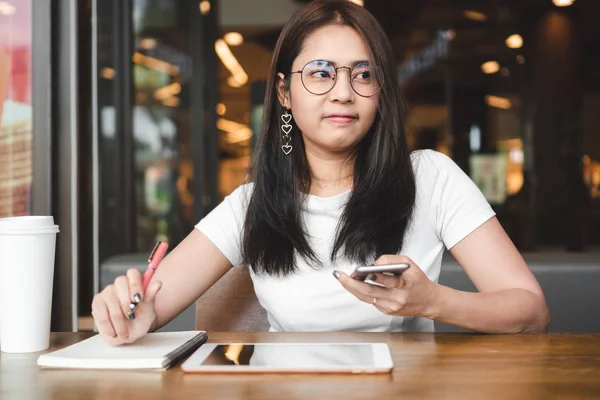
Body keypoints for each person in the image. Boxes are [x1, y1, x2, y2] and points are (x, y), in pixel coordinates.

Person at [92, 0, 549, 345]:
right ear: (285, 93)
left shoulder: (430, 177)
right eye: (321, 73)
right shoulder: (253, 205)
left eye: (363, 74)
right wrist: (127, 313)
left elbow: (530, 309)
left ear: (380, 91)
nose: (343, 92)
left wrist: (433, 301)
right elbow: (149, 307)